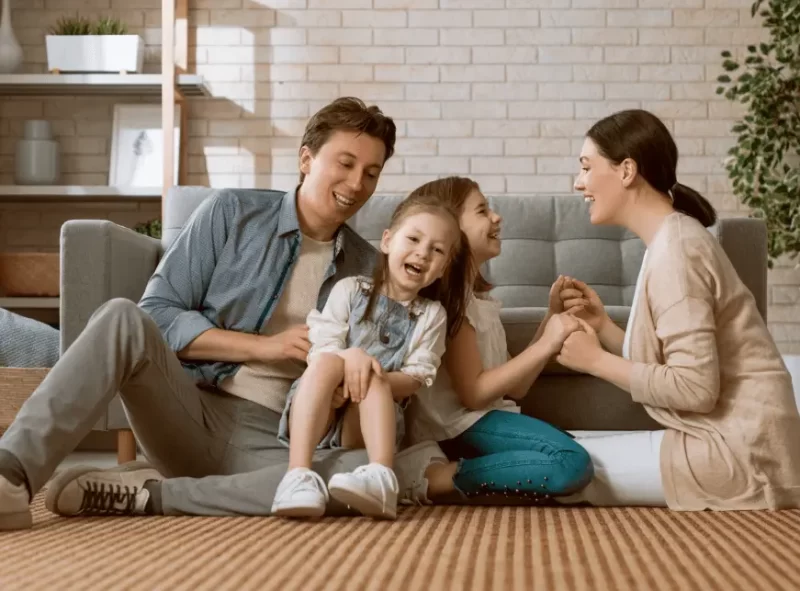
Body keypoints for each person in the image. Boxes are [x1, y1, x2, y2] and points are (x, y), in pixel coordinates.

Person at [0, 97, 447, 530]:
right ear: (307, 158)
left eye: (371, 173)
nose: (356, 185)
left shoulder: (370, 268)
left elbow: (372, 385)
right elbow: (157, 313)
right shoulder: (231, 213)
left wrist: (341, 392)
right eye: (345, 164)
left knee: (366, 470)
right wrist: (265, 347)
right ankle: (11, 476)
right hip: (191, 410)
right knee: (122, 317)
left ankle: (148, 496)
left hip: (280, 444)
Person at [554, 108, 800, 510]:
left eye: (586, 167)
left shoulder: (677, 252)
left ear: (626, 170)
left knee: (562, 467)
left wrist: (595, 361)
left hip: (742, 451)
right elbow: (675, 361)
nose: (579, 183)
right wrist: (604, 328)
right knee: (567, 447)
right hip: (740, 438)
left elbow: (696, 389)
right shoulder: (672, 239)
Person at [272, 194, 471, 519]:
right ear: (388, 241)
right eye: (414, 239)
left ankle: (380, 477)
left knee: (375, 376)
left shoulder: (430, 314)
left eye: (437, 250)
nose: (423, 252)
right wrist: (351, 364)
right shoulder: (350, 290)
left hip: (367, 420)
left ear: (443, 268)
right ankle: (298, 476)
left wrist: (366, 376)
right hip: (321, 407)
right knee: (327, 362)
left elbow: (415, 378)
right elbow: (323, 346)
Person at [403, 177, 594, 503]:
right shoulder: (452, 305)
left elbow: (514, 387)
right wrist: (548, 342)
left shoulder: (478, 302)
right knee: (570, 462)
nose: (496, 218)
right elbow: (475, 394)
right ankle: (441, 480)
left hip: (485, 419)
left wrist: (551, 317)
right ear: (452, 228)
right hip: (459, 427)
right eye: (482, 211)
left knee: (574, 454)